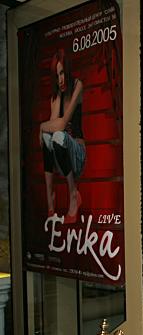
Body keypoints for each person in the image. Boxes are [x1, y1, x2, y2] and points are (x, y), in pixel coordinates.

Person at [40, 48, 85, 224]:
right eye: (57, 75)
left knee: (57, 134)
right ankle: (50, 198)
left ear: (68, 70)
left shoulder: (77, 86)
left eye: (63, 73)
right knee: (48, 137)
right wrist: (45, 129)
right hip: (62, 158)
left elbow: (59, 124)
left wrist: (41, 126)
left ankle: (73, 193)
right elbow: (50, 131)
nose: (61, 79)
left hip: (77, 155)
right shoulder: (57, 96)